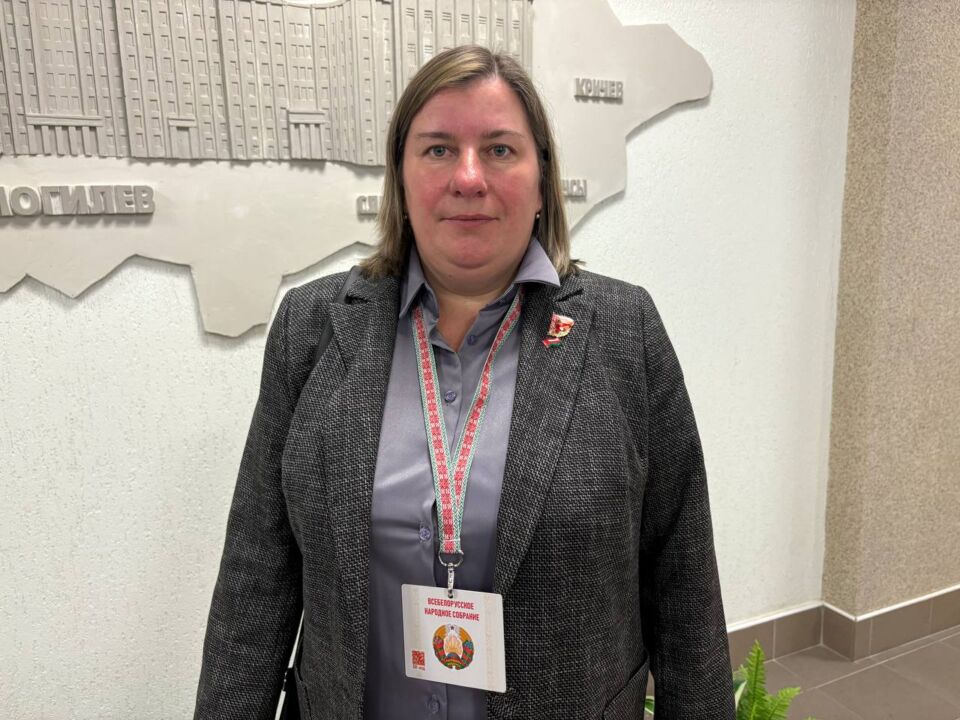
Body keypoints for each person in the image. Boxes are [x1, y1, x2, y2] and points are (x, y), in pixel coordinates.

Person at [194, 45, 734, 720]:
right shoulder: (312, 328)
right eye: (438, 149)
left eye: (500, 150)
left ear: (542, 180)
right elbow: (257, 572)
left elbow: (683, 582)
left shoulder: (625, 330)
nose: (469, 177)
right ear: (401, 177)